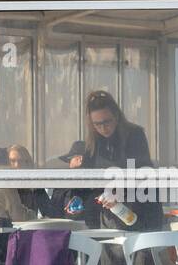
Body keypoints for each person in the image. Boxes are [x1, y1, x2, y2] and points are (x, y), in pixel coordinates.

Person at [61, 90, 163, 232]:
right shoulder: (94, 143)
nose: (103, 128)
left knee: (139, 252)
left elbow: (141, 173)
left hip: (141, 212)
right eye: (97, 124)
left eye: (107, 122)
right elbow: (88, 181)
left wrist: (117, 192)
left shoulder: (134, 135)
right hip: (109, 215)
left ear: (116, 116)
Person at [6, 144, 57, 219]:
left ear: (27, 163)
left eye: (21, 161)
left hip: (29, 227)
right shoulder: (3, 187)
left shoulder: (34, 186)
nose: (17, 165)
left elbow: (49, 212)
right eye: (12, 161)